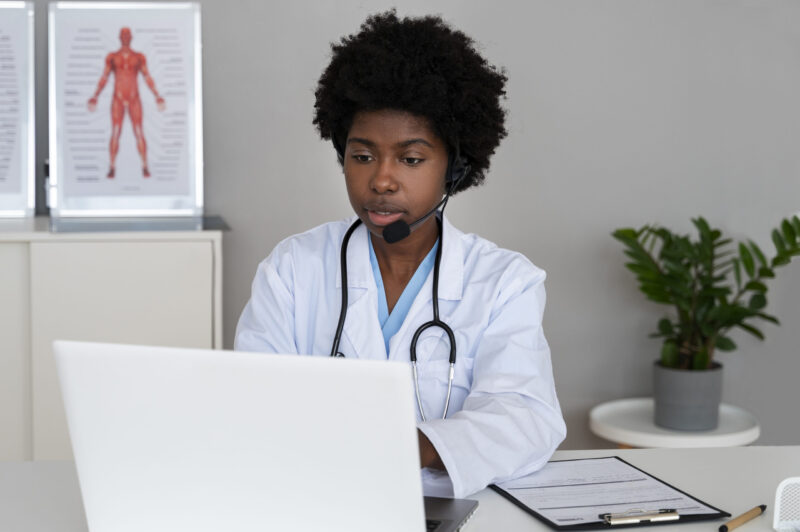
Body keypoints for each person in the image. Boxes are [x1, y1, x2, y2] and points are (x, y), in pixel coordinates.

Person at [235, 11, 566, 498]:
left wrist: (413, 445)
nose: (381, 180)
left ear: (454, 170)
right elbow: (251, 402)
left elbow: (525, 416)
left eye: (411, 159)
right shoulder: (292, 268)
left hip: (451, 508)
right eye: (362, 155)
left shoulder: (503, 281)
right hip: (316, 501)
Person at [87, 27, 165, 178]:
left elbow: (147, 76)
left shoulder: (139, 57)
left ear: (131, 37)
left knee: (138, 131)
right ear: (119, 37)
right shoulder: (112, 57)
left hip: (134, 98)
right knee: (116, 132)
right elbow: (104, 77)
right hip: (118, 98)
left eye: (128, 34)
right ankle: (112, 166)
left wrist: (157, 95)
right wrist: (95, 96)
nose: (126, 37)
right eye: (123, 34)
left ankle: (144, 166)